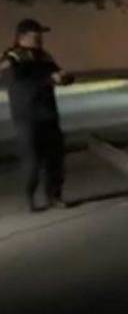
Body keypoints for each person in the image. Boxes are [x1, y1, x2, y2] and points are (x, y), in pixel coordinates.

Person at [0, 19, 74, 211]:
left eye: (41, 34)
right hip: (27, 117)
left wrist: (65, 78)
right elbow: (18, 84)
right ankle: (30, 198)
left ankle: (54, 196)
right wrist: (48, 79)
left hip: (48, 114)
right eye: (36, 35)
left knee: (55, 159)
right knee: (32, 161)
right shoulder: (11, 58)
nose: (40, 38)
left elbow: (58, 74)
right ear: (22, 36)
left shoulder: (44, 56)